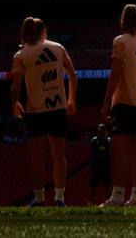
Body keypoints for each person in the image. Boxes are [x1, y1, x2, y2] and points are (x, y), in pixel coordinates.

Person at [10, 16, 77, 208]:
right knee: (59, 154)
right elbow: (72, 74)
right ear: (43, 31)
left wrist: (14, 103)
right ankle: (60, 198)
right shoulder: (58, 48)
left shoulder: (21, 55)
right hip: (57, 108)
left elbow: (15, 86)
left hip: (35, 110)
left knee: (37, 157)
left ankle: (39, 199)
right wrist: (71, 99)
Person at [99, 4, 136, 207]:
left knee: (119, 149)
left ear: (122, 21)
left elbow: (115, 73)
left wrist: (106, 101)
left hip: (124, 101)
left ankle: (118, 195)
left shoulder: (120, 41)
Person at [88, 124, 112, 206]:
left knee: (107, 185)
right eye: (99, 130)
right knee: (93, 186)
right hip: (96, 166)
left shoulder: (109, 140)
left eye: (103, 130)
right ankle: (90, 202)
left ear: (106, 131)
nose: (101, 132)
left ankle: (107, 201)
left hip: (106, 166)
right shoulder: (94, 140)